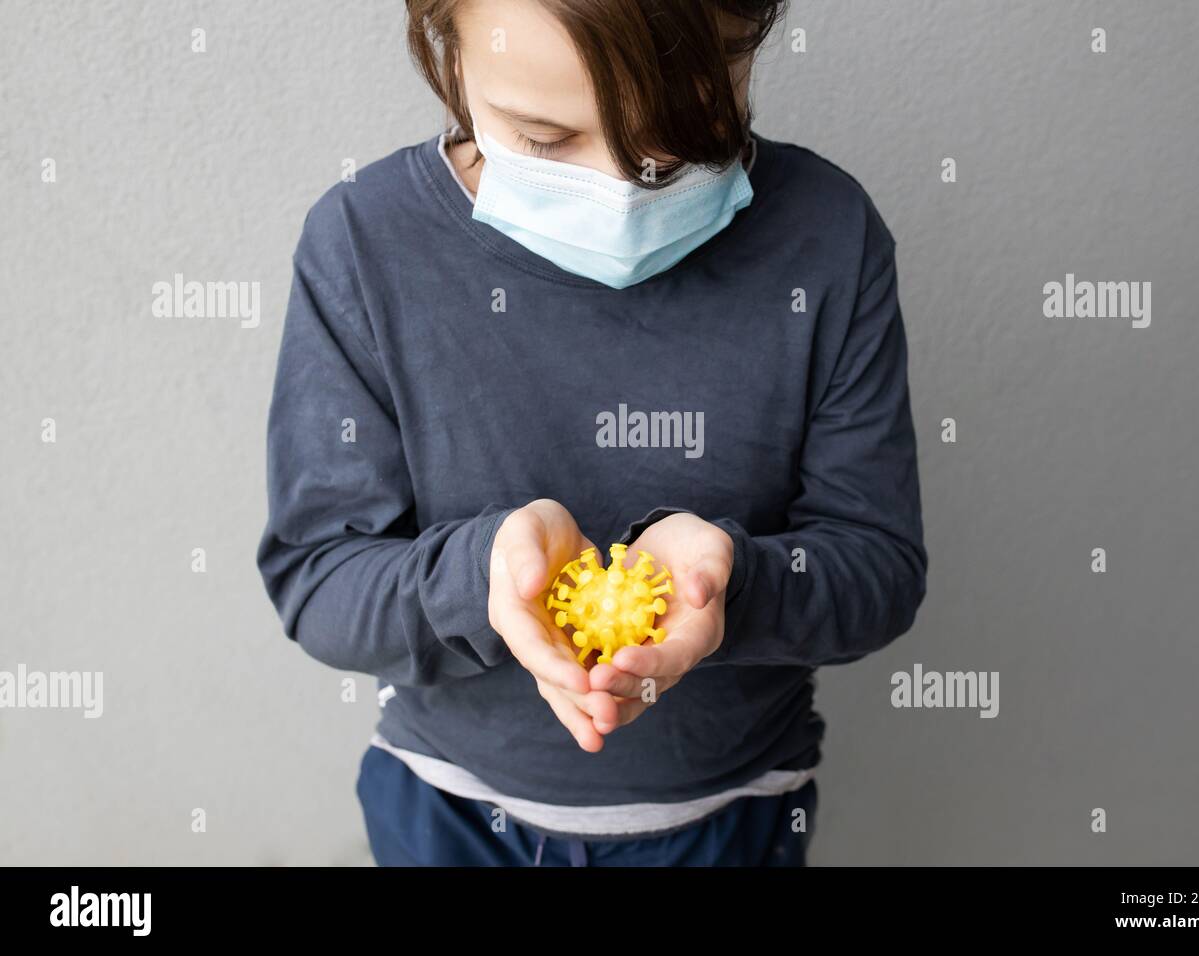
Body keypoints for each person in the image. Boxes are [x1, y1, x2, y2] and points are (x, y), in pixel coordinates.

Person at [257, 0, 926, 867]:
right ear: (447, 51)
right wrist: (483, 572)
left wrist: (732, 586)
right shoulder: (363, 243)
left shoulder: (827, 236)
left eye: (673, 142)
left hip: (733, 816)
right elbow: (318, 581)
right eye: (543, 138)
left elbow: (879, 568)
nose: (620, 188)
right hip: (450, 815)